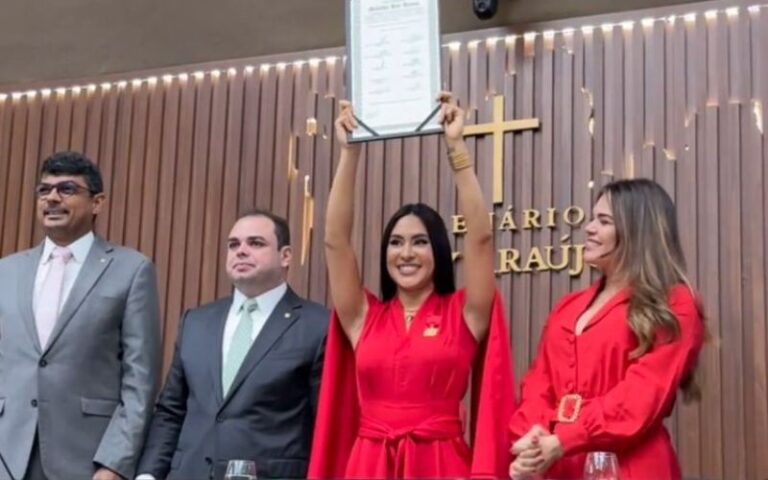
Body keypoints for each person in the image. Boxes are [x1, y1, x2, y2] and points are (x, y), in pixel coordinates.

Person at [308, 94, 515, 479]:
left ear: (438, 250)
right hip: (369, 465)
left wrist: (456, 150)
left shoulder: (465, 313)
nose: (406, 253)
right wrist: (349, 154)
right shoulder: (362, 315)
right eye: (396, 242)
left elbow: (482, 238)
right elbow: (335, 239)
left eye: (419, 242)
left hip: (441, 465)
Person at [508, 178, 706, 480]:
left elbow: (641, 396)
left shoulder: (674, 302)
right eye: (592, 218)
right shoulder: (568, 307)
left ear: (636, 232)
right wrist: (533, 439)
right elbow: (538, 383)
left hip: (632, 466)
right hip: (560, 463)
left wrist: (564, 440)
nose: (588, 228)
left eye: (604, 221)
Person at [0, 151, 161, 480]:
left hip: (87, 462)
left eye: (67, 189)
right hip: (8, 455)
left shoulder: (132, 270)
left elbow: (140, 380)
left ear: (97, 202)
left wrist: (115, 463)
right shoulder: (7, 271)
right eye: (44, 190)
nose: (52, 198)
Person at [136, 209, 328, 480]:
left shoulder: (317, 325)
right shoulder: (196, 321)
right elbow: (171, 409)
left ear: (285, 256)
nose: (241, 251)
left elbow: (327, 423)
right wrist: (148, 475)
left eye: (256, 243)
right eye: (233, 244)